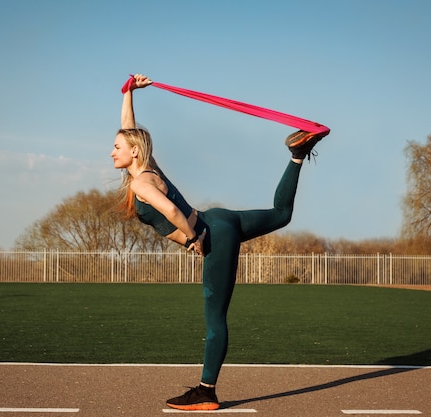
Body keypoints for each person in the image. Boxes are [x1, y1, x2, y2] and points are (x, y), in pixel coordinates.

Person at [111, 74, 328, 411]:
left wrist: (196, 238)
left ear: (134, 152)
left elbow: (168, 208)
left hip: (213, 235)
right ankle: (297, 154)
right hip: (219, 219)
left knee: (216, 320)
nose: (112, 152)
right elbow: (129, 129)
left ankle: (206, 392)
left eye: (116, 148)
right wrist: (128, 93)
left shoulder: (141, 184)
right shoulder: (146, 167)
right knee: (281, 214)